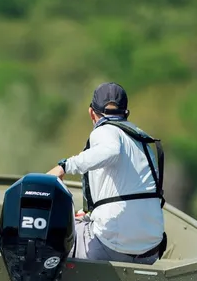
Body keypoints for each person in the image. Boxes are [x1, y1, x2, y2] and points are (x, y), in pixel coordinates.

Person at [46, 82, 167, 264]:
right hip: (151, 247)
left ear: (91, 113)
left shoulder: (104, 131)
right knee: (84, 220)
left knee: (53, 231)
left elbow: (111, 150)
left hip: (112, 244)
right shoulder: (140, 139)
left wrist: (64, 166)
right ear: (126, 113)